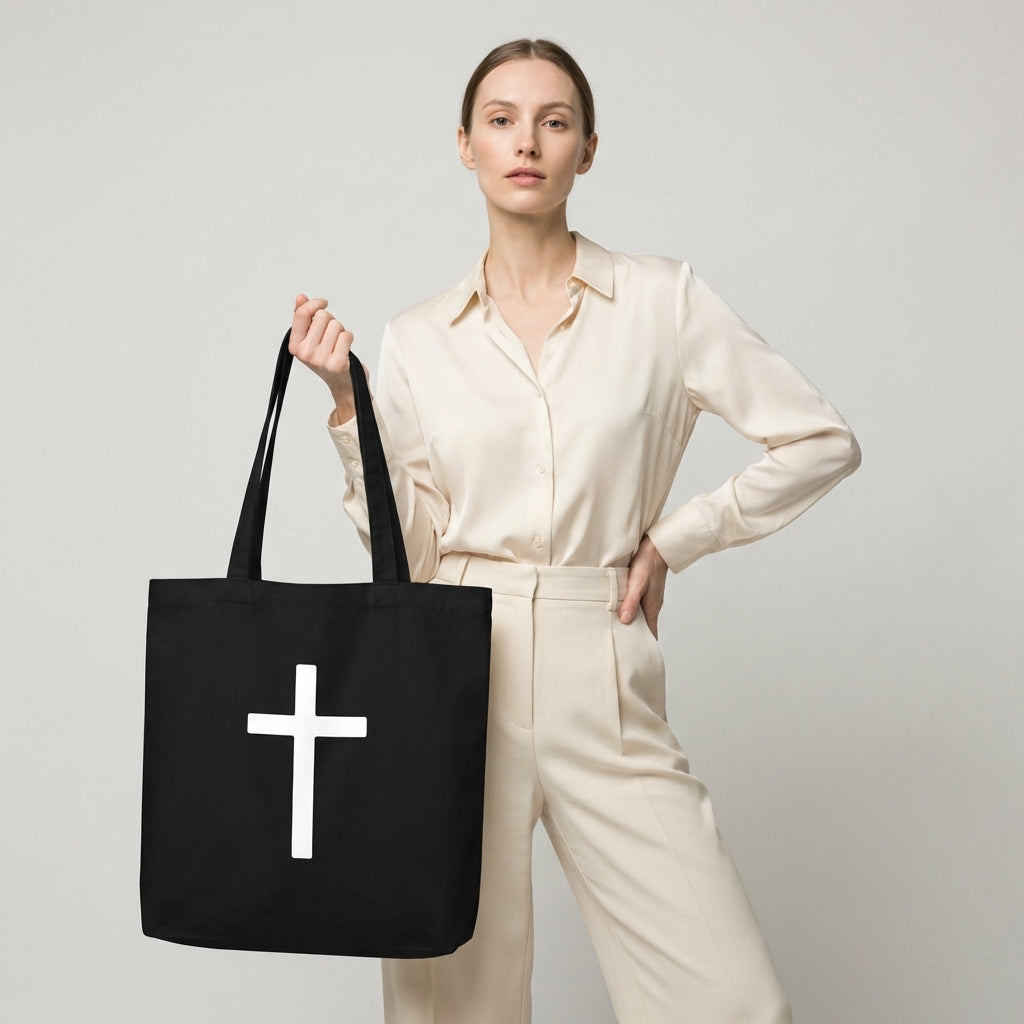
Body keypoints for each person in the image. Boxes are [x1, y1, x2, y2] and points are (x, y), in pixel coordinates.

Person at [288, 37, 860, 1024]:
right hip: (454, 669)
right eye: (501, 120)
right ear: (463, 145)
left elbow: (818, 439)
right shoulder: (418, 338)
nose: (527, 142)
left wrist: (676, 535)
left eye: (553, 121)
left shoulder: (660, 301)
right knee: (447, 1005)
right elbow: (412, 552)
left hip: (603, 654)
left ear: (586, 150)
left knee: (727, 1000)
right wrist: (349, 406)